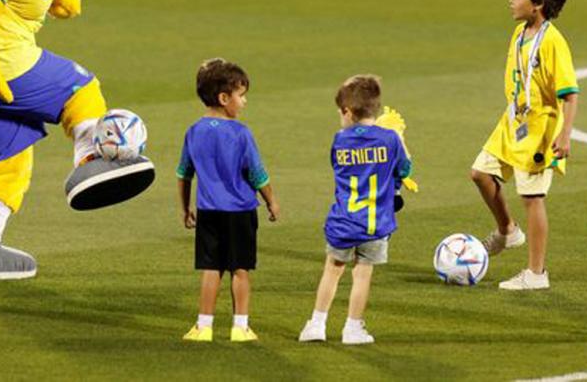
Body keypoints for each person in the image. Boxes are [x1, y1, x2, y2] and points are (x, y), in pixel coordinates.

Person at [470, 0, 579, 290]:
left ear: (538, 4)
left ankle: (536, 273)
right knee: (479, 174)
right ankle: (508, 230)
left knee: (532, 198)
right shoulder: (520, 33)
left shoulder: (553, 43)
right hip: (513, 122)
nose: (510, 1)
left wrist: (564, 134)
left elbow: (570, 94)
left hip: (539, 130)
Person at [298, 75, 415, 345]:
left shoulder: (340, 141)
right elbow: (404, 169)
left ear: (348, 112)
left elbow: (339, 167)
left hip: (343, 220)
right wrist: (400, 142)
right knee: (362, 274)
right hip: (376, 222)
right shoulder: (390, 140)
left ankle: (316, 324)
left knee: (333, 269)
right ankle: (352, 328)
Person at [178, 58, 280, 343]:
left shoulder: (193, 131)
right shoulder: (241, 133)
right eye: (241, 95)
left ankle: (204, 326)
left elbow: (184, 174)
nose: (244, 102)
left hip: (208, 210)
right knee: (240, 269)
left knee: (211, 269)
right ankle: (240, 327)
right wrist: (271, 201)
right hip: (241, 211)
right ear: (224, 98)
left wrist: (185, 208)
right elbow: (257, 174)